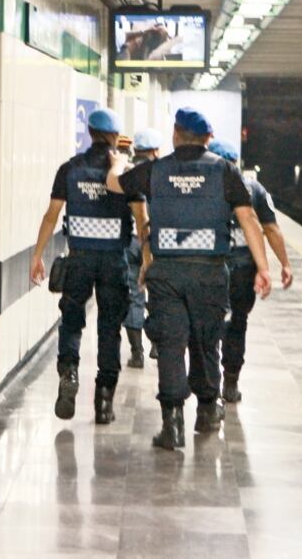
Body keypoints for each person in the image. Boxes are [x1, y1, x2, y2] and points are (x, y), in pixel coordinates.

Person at [107, 108, 272, 451]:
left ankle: (173, 424)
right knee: (205, 341)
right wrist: (264, 267)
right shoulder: (224, 171)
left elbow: (114, 184)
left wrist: (118, 163)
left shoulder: (156, 169)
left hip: (166, 272)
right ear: (208, 139)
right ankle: (208, 410)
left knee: (170, 343)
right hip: (210, 272)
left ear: (175, 134)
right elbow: (249, 219)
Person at [30, 109, 145, 424]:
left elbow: (51, 215)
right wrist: (147, 259)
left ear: (90, 132)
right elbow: (141, 220)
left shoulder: (69, 169)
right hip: (114, 261)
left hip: (79, 258)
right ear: (113, 137)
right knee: (109, 327)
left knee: (71, 320)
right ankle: (104, 400)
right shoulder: (123, 174)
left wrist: (37, 255)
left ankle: (69, 374)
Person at [208, 139, 293, 403]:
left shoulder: (205, 186)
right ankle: (231, 382)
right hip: (243, 269)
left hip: (208, 268)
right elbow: (271, 228)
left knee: (207, 325)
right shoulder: (254, 188)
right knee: (237, 324)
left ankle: (210, 385)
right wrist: (284, 264)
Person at [123, 128, 163, 368]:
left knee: (133, 295)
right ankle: (157, 345)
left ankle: (136, 352)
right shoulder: (162, 174)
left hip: (129, 241)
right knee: (159, 294)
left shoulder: (125, 173)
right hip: (157, 242)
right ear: (155, 151)